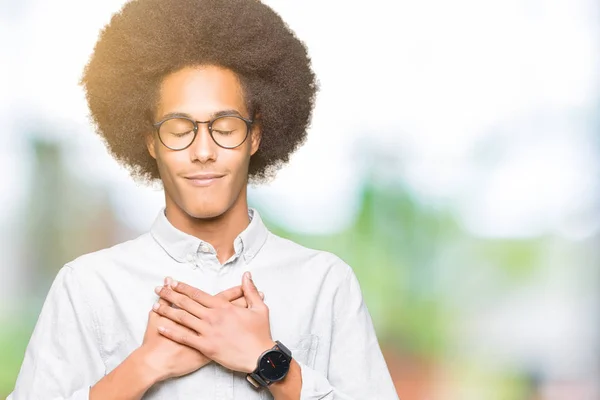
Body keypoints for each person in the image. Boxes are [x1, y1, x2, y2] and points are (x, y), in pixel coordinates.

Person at [8, 0, 399, 399]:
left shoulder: (326, 284)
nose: (203, 151)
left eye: (224, 127)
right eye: (180, 130)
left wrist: (269, 363)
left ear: (255, 136)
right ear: (150, 142)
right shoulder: (88, 286)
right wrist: (144, 366)